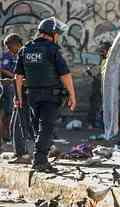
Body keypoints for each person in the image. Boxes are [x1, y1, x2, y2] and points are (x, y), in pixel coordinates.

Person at [15, 17, 77, 172]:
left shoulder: (26, 49)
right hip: (50, 96)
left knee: (38, 127)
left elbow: (18, 76)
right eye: (58, 34)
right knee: (46, 128)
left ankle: (41, 157)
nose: (58, 38)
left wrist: (19, 97)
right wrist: (72, 96)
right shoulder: (52, 50)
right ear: (53, 33)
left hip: (32, 96)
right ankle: (40, 160)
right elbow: (65, 75)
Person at [0, 34, 23, 151]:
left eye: (10, 47)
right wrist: (15, 77)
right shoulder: (7, 56)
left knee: (14, 114)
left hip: (19, 86)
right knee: (8, 113)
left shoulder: (23, 54)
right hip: (10, 87)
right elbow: (3, 68)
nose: (9, 50)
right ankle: (5, 137)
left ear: (16, 44)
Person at [87, 42, 111, 130]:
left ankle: (103, 123)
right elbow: (97, 73)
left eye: (103, 50)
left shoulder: (111, 61)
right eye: (101, 51)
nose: (101, 52)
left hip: (105, 86)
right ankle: (92, 122)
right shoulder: (101, 60)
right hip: (98, 85)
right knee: (95, 103)